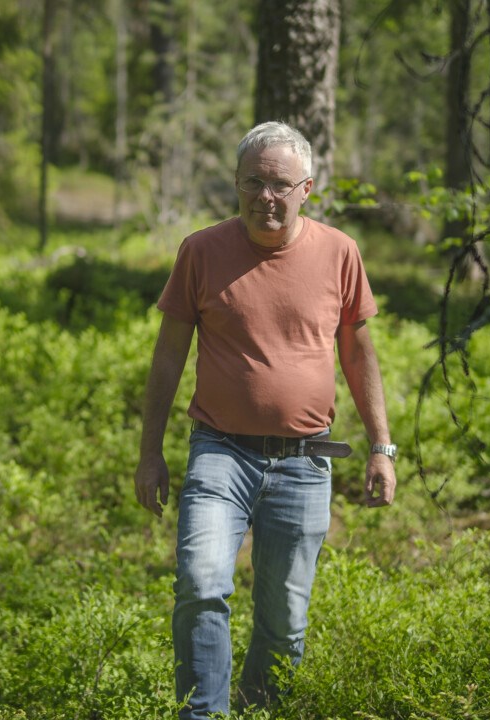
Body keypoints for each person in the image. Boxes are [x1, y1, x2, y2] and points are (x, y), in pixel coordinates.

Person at [134, 121, 397, 718]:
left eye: (279, 184)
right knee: (201, 586)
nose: (265, 197)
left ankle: (257, 709)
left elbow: (358, 353)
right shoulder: (201, 251)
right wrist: (151, 452)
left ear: (307, 187)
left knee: (284, 622)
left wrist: (382, 446)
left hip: (306, 461)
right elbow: (169, 353)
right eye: (252, 182)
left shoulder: (339, 253)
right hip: (220, 452)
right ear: (235, 184)